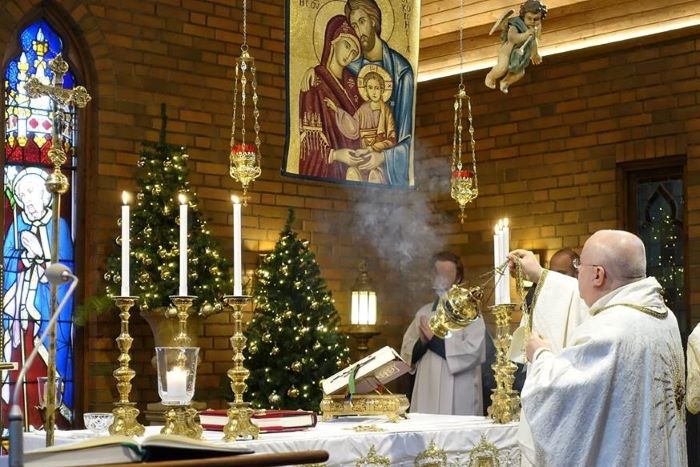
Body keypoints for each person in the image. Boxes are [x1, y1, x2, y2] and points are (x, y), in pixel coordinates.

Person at [509, 230, 686, 466]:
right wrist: (542, 276)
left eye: (579, 265)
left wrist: (540, 355)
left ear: (598, 275)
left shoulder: (610, 330)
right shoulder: (663, 316)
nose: (578, 271)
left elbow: (559, 396)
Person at [303, 0, 415, 186]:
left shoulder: (401, 72)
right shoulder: (351, 69)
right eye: (353, 25)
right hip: (355, 164)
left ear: (374, 21)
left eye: (362, 21)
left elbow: (406, 142)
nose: (358, 30)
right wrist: (314, 71)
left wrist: (382, 158)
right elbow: (330, 72)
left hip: (384, 175)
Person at [2, 167, 75, 428]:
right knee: (18, 364)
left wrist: (39, 253)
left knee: (43, 365)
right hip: (20, 313)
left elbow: (64, 275)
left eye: (32, 193)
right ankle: (18, 426)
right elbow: (8, 268)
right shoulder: (17, 226)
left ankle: (46, 423)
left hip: (45, 312)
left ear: (46, 196)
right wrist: (24, 257)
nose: (27, 200)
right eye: (22, 195)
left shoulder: (59, 225)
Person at [400, 252, 485, 415]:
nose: (442, 279)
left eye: (448, 274)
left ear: (458, 278)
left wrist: (433, 340)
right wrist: (423, 343)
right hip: (427, 389)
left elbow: (473, 351)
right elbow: (407, 355)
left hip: (459, 390)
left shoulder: (470, 314)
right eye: (438, 274)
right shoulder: (422, 313)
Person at [298, 15, 364, 180]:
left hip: (356, 171)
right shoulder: (315, 81)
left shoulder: (355, 85)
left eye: (354, 52)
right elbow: (309, 144)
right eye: (347, 45)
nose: (349, 54)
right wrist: (335, 155)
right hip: (331, 169)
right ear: (333, 40)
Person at [325, 65, 396, 184]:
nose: (374, 92)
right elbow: (353, 126)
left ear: (382, 90)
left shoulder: (386, 112)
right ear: (366, 90)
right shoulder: (363, 110)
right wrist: (337, 110)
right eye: (370, 88)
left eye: (377, 88)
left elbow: (392, 139)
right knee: (352, 173)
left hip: (376, 158)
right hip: (362, 155)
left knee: (376, 176)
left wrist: (372, 148)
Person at [485, 0, 547, 94]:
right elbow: (512, 38)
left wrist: (535, 54)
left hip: (520, 55)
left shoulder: (536, 27)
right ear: (523, 16)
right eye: (529, 18)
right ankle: (490, 77)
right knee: (502, 68)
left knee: (520, 73)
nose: (532, 22)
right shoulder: (516, 24)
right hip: (507, 52)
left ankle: (505, 82)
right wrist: (525, 35)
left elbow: (534, 41)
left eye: (536, 19)